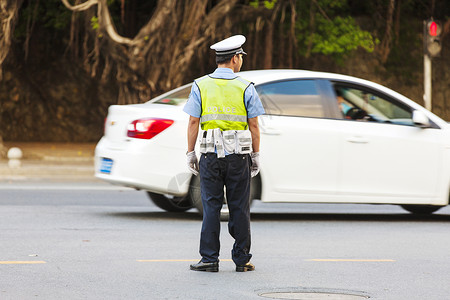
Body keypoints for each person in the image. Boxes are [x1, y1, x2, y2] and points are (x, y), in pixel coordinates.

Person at [183, 35, 265, 272]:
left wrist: (190, 152)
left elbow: (192, 121)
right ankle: (242, 260)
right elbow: (254, 126)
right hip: (238, 157)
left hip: (209, 157)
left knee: (211, 206)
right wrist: (256, 156)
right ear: (235, 59)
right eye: (241, 57)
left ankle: (209, 259)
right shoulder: (245, 87)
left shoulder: (200, 85)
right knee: (239, 206)